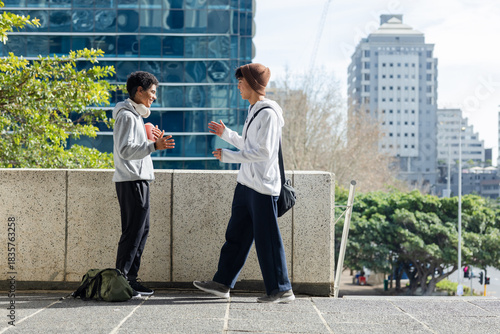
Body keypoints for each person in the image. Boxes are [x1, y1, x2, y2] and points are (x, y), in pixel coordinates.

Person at [193, 63, 294, 303]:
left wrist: (228, 156)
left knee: (267, 239)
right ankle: (222, 284)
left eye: (241, 82)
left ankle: (281, 289)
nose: (238, 86)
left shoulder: (268, 113)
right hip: (246, 184)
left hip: (262, 187)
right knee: (236, 236)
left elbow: (264, 152)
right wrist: (227, 134)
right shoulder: (254, 110)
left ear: (253, 84)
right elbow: (249, 146)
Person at [112, 71, 175, 297]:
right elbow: (124, 150)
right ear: (139, 90)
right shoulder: (127, 116)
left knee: (142, 230)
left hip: (138, 180)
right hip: (131, 180)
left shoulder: (136, 116)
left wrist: (150, 140)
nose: (154, 97)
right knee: (133, 232)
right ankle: (121, 281)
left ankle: (131, 279)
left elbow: (134, 147)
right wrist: (153, 147)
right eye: (152, 92)